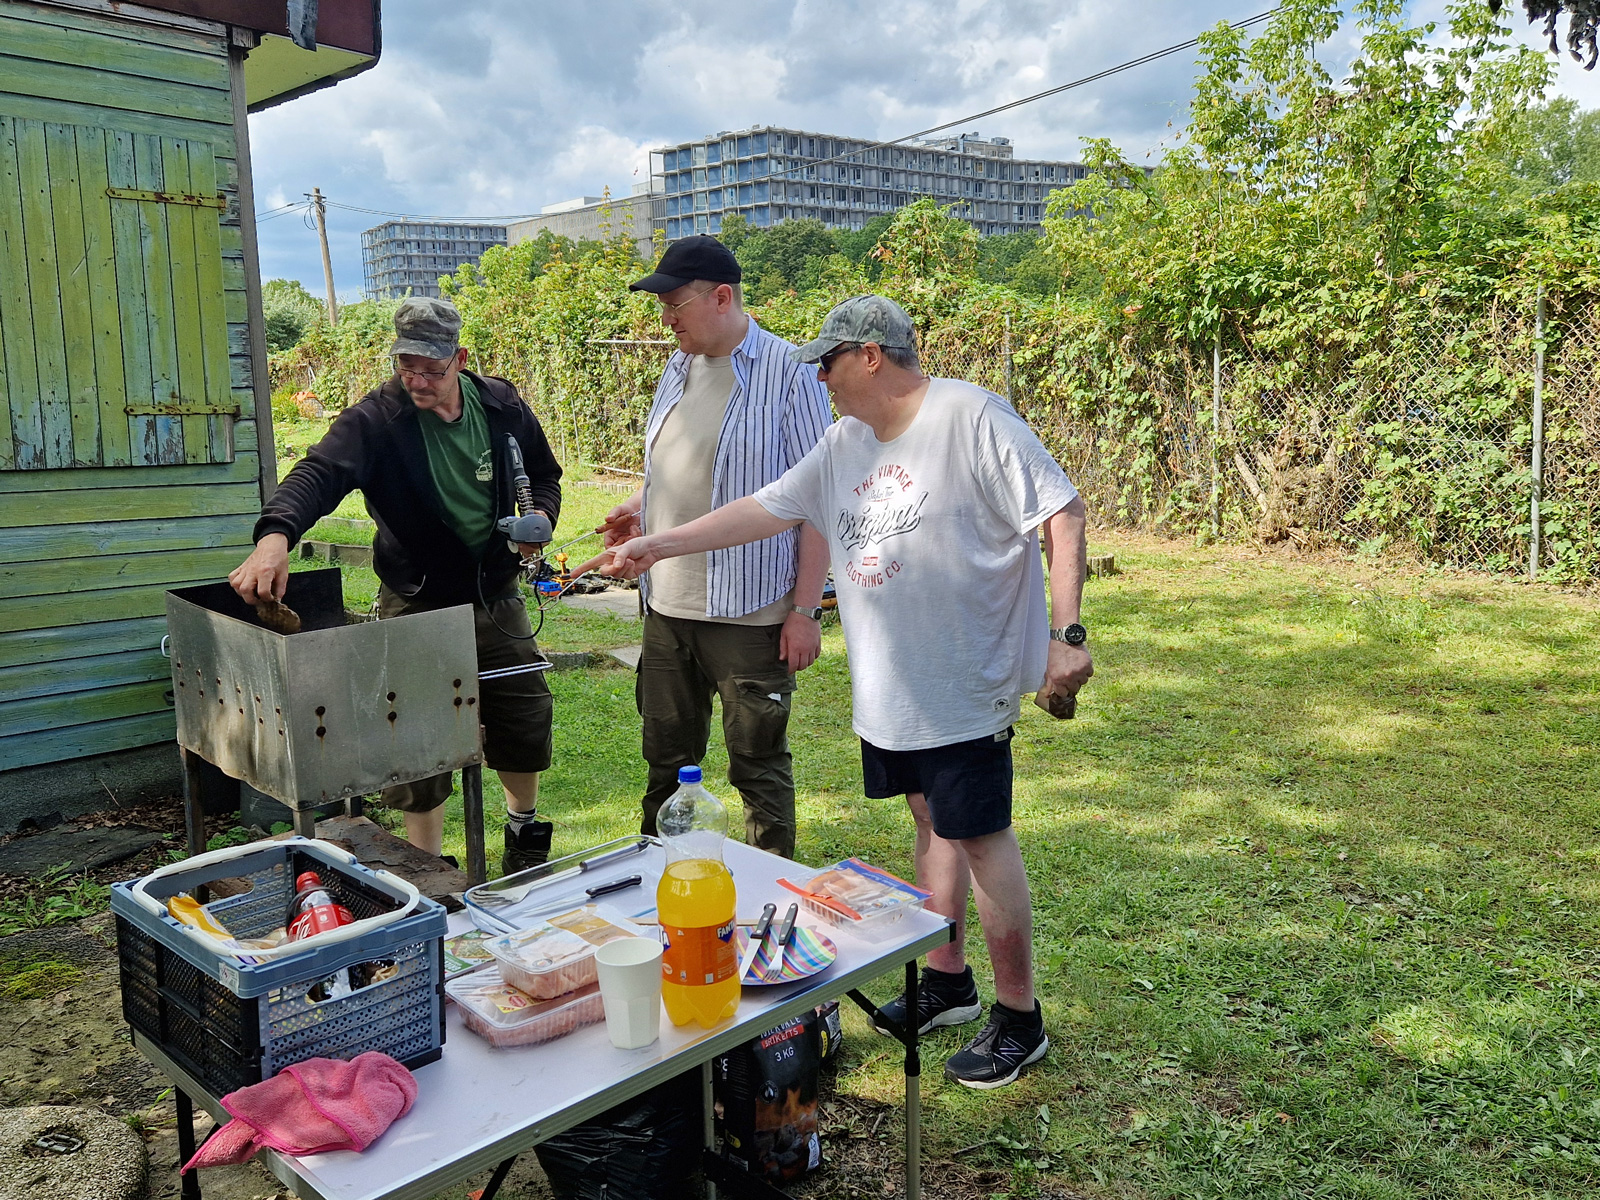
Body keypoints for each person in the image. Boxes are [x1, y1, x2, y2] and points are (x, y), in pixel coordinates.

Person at [585, 294, 1093, 1089]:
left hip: (965, 683)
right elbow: (765, 508)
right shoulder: (845, 441)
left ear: (869, 356)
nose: (818, 377)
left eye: (826, 362)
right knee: (929, 822)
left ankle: (1019, 1019)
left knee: (983, 839)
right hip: (895, 687)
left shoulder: (970, 417)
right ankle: (949, 982)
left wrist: (1067, 637)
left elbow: (1061, 513)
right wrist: (656, 544)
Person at [229, 297, 563, 875]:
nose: (417, 381)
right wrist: (275, 535)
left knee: (524, 714)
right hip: (417, 596)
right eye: (406, 366)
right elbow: (319, 473)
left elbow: (545, 475)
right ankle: (427, 864)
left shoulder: (503, 406)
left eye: (431, 369)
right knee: (416, 737)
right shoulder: (375, 420)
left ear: (459, 359)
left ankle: (522, 829)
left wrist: (542, 520)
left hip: (495, 591)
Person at [600, 236, 832, 860]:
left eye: (675, 303)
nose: (666, 318)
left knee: (757, 768)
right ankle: (664, 889)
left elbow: (818, 500)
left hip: (750, 614)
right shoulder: (678, 367)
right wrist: (641, 510)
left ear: (721, 297)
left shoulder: (791, 373)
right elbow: (680, 472)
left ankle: (767, 902)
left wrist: (805, 610)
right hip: (667, 608)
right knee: (666, 765)